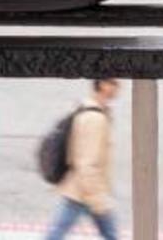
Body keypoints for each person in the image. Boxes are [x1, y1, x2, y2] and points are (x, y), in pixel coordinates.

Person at [38, 78, 120, 238]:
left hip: (81, 189)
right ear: (102, 85)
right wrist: (97, 199)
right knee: (110, 234)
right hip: (85, 190)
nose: (118, 87)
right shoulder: (95, 118)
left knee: (57, 232)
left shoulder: (88, 110)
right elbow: (87, 162)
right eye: (114, 83)